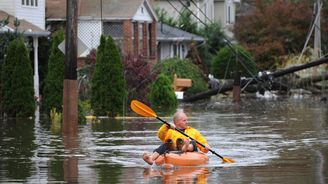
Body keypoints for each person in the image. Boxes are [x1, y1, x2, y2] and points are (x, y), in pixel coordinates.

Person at [142, 111, 210, 165]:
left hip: (190, 151)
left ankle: (185, 146)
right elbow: (160, 135)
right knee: (166, 143)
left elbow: (202, 141)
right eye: (184, 120)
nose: (187, 122)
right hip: (175, 151)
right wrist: (166, 126)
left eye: (187, 120)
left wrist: (205, 145)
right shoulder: (170, 131)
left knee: (192, 142)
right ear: (177, 122)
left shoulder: (193, 131)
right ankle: (151, 158)